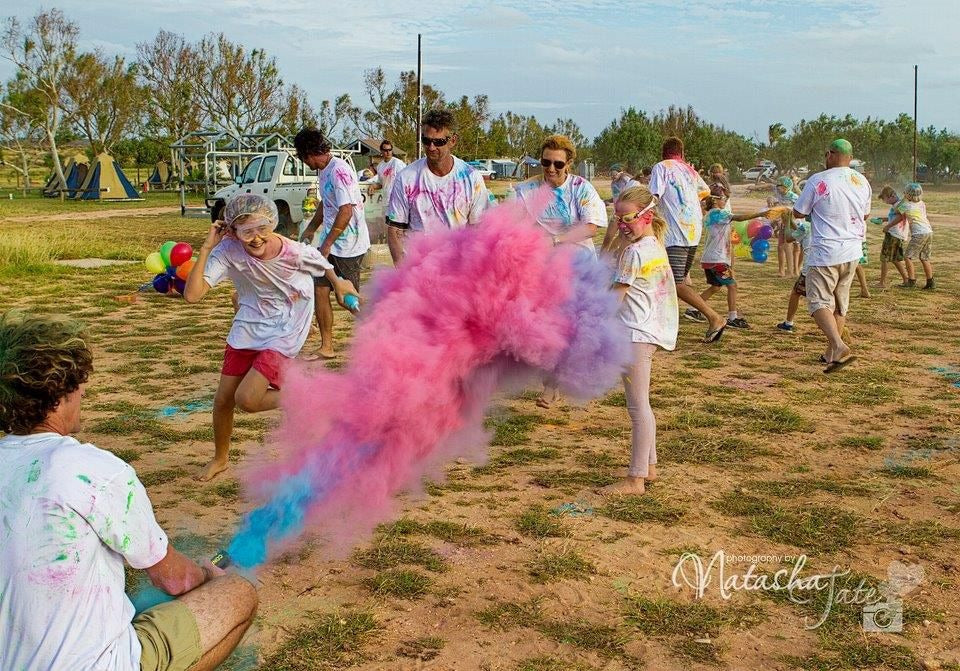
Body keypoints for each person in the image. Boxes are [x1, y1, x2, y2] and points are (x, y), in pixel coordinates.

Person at [0, 311, 259, 671]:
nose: (84, 392)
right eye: (79, 384)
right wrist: (205, 575)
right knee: (238, 595)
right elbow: (174, 578)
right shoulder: (93, 471)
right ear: (61, 393)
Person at [184, 194, 358, 481]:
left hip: (286, 328)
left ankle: (306, 395)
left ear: (273, 224)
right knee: (223, 400)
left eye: (262, 228)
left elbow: (322, 264)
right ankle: (220, 458)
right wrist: (206, 247)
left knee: (248, 399)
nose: (256, 238)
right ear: (232, 231)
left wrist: (340, 285)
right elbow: (192, 295)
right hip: (248, 327)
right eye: (247, 231)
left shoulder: (292, 251)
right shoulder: (227, 250)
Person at [513, 134, 609, 408]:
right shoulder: (527, 191)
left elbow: (592, 226)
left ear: (569, 164)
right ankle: (551, 383)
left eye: (557, 164)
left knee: (574, 330)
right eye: (545, 163)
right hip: (541, 271)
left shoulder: (581, 189)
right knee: (546, 329)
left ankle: (564, 382)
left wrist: (555, 240)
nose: (551, 169)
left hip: (578, 269)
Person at [600, 185, 678, 496]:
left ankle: (635, 479)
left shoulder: (634, 253)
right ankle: (650, 467)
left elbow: (615, 298)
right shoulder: (653, 243)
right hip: (647, 331)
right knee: (642, 404)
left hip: (635, 333)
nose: (621, 225)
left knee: (637, 407)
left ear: (646, 216)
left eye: (627, 218)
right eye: (617, 218)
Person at [792, 139, 871, 372]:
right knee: (839, 303)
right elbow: (865, 215)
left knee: (817, 302)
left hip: (826, 251)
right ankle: (831, 353)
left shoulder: (819, 180)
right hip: (853, 251)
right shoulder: (861, 180)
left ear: (831, 155)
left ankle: (838, 345)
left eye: (827, 154)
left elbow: (799, 211)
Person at [294, 128, 371, 359]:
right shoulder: (324, 171)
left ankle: (380, 332)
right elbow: (325, 204)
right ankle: (327, 346)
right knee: (320, 291)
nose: (303, 162)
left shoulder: (340, 171)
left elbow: (346, 210)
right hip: (331, 243)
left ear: (309, 153)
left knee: (347, 298)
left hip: (349, 245)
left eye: (301, 157)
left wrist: (327, 243)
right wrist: (311, 228)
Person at [385, 109, 490, 265]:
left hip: (457, 270)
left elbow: (478, 231)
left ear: (453, 141)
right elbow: (395, 231)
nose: (431, 147)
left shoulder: (471, 178)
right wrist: (403, 275)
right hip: (417, 270)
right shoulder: (406, 178)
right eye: (426, 141)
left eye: (439, 142)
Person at [648, 137, 726, 342]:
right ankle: (665, 323)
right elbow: (705, 191)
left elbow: (653, 196)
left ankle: (714, 317)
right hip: (693, 232)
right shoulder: (689, 170)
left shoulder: (661, 167)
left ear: (663, 152)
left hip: (675, 232)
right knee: (672, 280)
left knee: (675, 281)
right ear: (681, 153)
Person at [699, 186, 771, 329]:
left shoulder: (713, 214)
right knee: (732, 285)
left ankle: (695, 308)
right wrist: (761, 213)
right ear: (715, 200)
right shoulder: (718, 213)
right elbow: (739, 218)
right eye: (724, 198)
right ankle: (732, 317)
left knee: (716, 287)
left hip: (713, 258)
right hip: (716, 259)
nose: (726, 201)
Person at [891, 182, 934, 290]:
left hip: (919, 233)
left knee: (908, 257)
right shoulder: (922, 203)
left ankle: (911, 281)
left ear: (909, 195)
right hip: (928, 231)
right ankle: (930, 282)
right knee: (924, 258)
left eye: (905, 192)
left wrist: (903, 199)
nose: (904, 193)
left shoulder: (905, 205)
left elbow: (896, 210)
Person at [776, 212, 812, 333]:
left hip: (811, 269)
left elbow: (789, 238)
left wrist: (786, 223)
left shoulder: (806, 226)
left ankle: (788, 323)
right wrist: (791, 221)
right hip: (829, 266)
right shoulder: (827, 224)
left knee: (796, 293)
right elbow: (800, 231)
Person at [876, 186, 909, 288]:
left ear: (890, 196)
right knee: (894, 259)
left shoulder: (899, 204)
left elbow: (902, 217)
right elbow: (896, 216)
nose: (885, 201)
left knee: (884, 258)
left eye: (885, 199)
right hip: (896, 234)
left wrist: (888, 226)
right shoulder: (897, 204)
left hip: (894, 234)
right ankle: (906, 279)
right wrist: (885, 219)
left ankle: (882, 283)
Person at [769, 176, 800, 277]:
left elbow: (799, 211)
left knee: (796, 247)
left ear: (787, 187)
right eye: (778, 186)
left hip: (794, 225)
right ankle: (781, 270)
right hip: (783, 224)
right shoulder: (778, 196)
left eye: (781, 186)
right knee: (780, 247)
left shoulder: (794, 197)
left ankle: (795, 270)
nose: (779, 188)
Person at [367, 139, 406, 206]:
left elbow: (406, 180)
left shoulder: (397, 163)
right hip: (386, 201)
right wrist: (373, 186)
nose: (388, 152)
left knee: (393, 217)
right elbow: (381, 184)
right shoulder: (380, 166)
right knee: (388, 217)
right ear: (381, 151)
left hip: (397, 201)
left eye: (390, 150)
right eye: (385, 150)